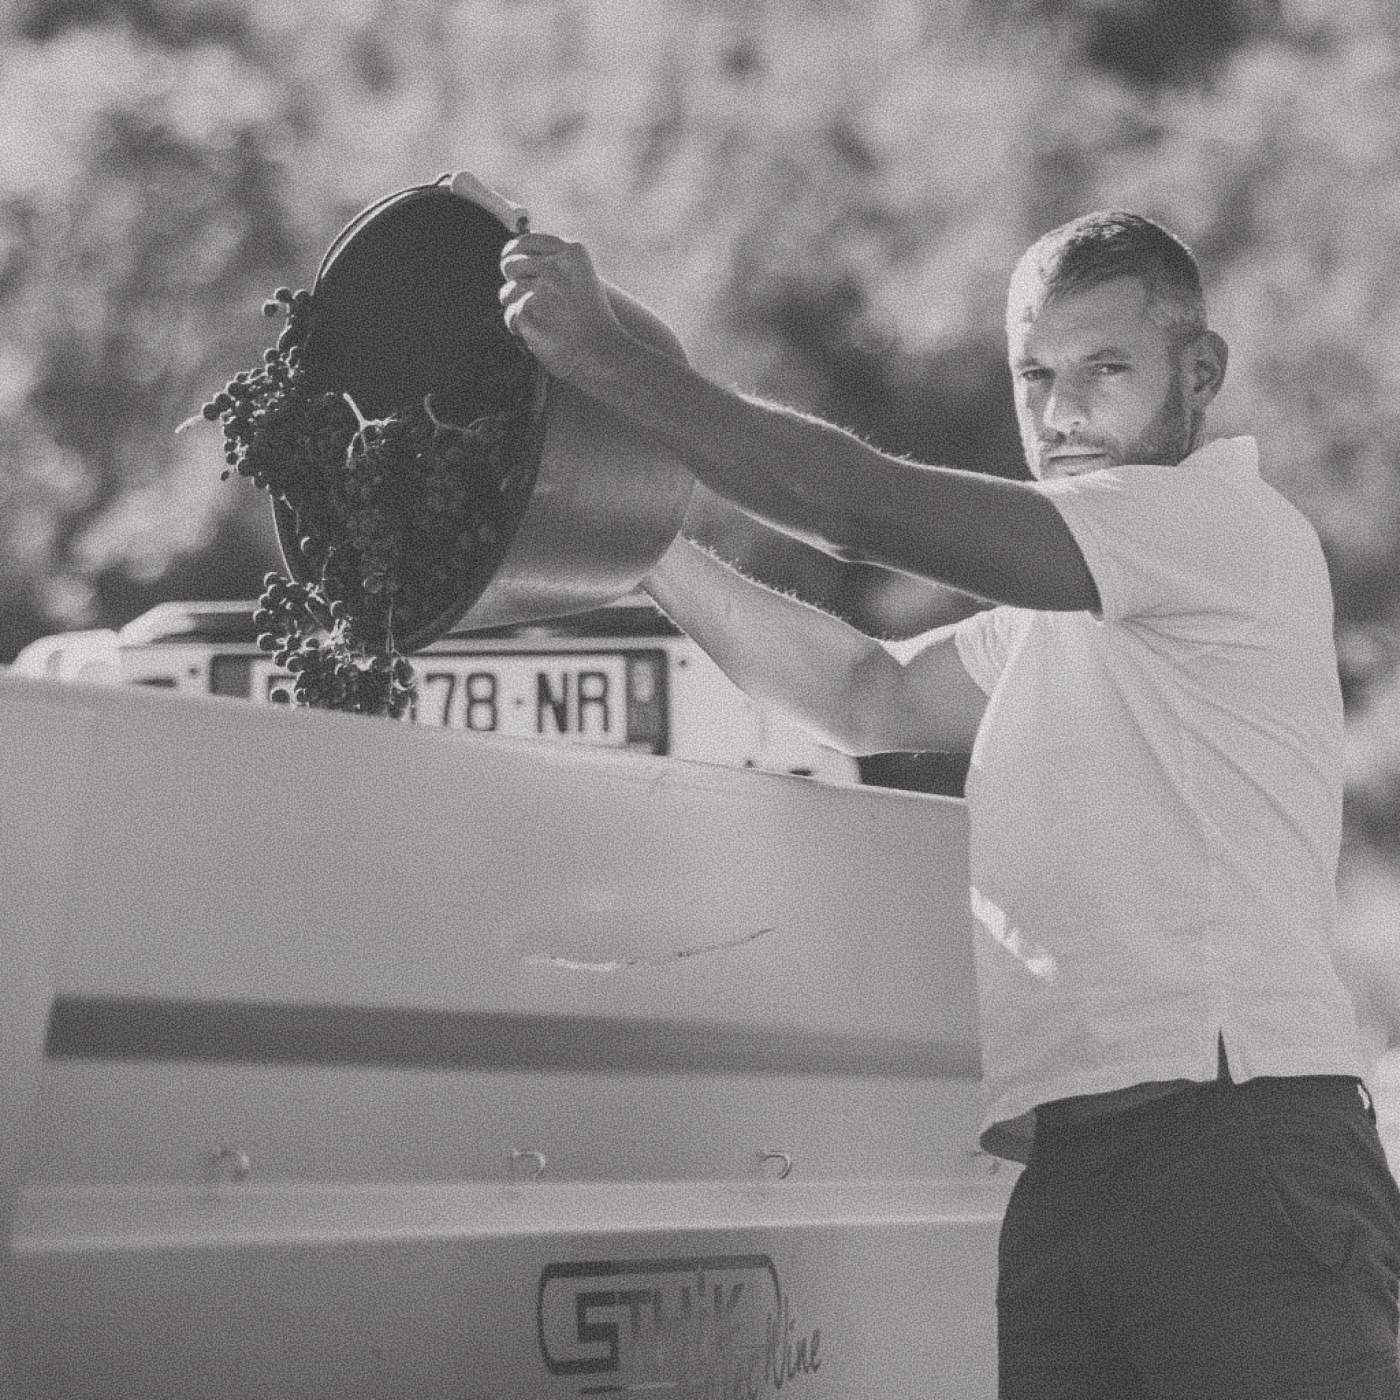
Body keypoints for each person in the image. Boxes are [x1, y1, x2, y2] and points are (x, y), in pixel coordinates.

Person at [498, 208, 1400, 1397]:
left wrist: (613, 364)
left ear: (1199, 373)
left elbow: (866, 508)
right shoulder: (1060, 613)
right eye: (1034, 375)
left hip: (1238, 1153)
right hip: (1072, 1173)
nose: (1062, 410)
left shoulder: (1216, 528)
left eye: (1102, 368)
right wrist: (639, 540)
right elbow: (864, 693)